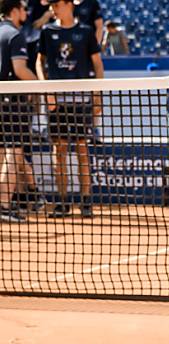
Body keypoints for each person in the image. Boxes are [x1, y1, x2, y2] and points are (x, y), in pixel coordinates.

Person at [35, 0, 102, 218]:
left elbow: (97, 63)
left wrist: (97, 95)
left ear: (68, 5)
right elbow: (39, 62)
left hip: (81, 101)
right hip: (57, 103)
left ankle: (85, 202)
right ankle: (63, 203)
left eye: (57, 4)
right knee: (59, 151)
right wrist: (47, 90)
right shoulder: (47, 31)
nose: (53, 8)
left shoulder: (85, 31)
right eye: (51, 4)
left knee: (83, 150)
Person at [1, 0, 36, 223]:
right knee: (13, 153)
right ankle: (4, 206)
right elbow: (20, 69)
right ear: (14, 11)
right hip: (12, 102)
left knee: (2, 154)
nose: (25, 13)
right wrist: (42, 87)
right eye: (23, 9)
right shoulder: (15, 34)